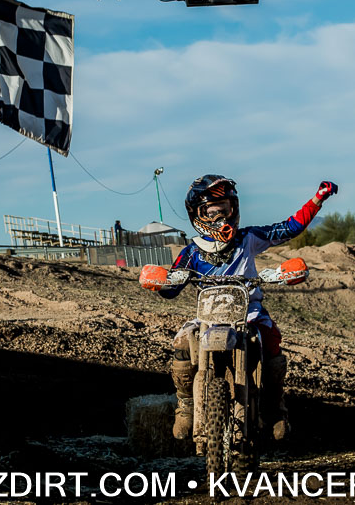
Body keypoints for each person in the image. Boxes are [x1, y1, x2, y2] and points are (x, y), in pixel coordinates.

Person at [140, 175, 337, 441]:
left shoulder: (248, 238)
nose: (220, 217)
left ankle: (275, 408)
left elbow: (289, 228)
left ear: (234, 208)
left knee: (270, 337)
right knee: (182, 341)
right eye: (211, 211)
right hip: (207, 317)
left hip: (249, 312)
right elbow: (171, 290)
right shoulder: (192, 252)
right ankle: (186, 405)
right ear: (197, 215)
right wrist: (162, 281)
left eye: (225, 209)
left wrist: (317, 200)